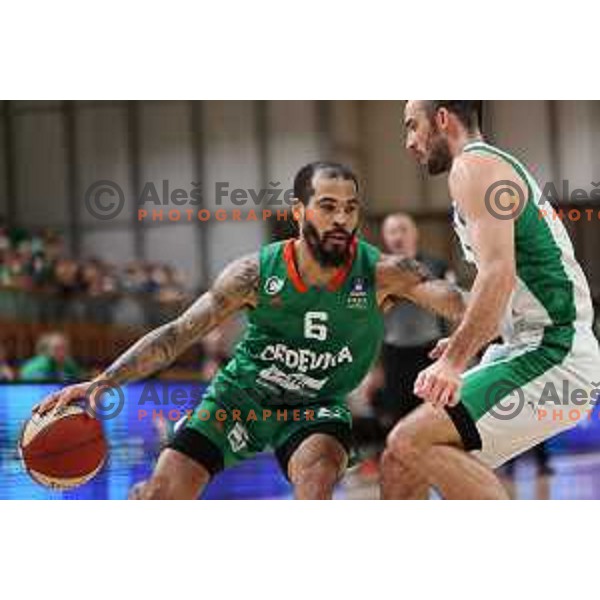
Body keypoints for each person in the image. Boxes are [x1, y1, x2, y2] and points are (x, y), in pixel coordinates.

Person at [34, 161, 464, 500]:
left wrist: (480, 336)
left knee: (316, 478)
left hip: (315, 407)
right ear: (299, 212)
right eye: (327, 206)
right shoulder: (253, 274)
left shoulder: (382, 273)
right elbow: (177, 334)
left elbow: (462, 302)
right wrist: (105, 379)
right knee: (163, 496)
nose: (341, 219)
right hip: (240, 397)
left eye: (350, 209)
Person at [381, 100, 600, 499]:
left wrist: (453, 361)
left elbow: (499, 274)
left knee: (409, 442)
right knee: (400, 461)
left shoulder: (473, 168)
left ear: (442, 119)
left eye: (413, 126)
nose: (408, 141)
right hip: (533, 347)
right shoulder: (487, 168)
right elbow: (512, 284)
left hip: (554, 353)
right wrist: (471, 333)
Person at [377, 212, 453, 431]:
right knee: (397, 422)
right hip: (394, 355)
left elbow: (455, 310)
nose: (398, 236)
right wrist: (375, 368)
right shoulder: (377, 271)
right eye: (392, 231)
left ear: (415, 234)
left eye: (403, 229)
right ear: (385, 237)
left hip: (430, 352)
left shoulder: (437, 266)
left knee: (435, 417)